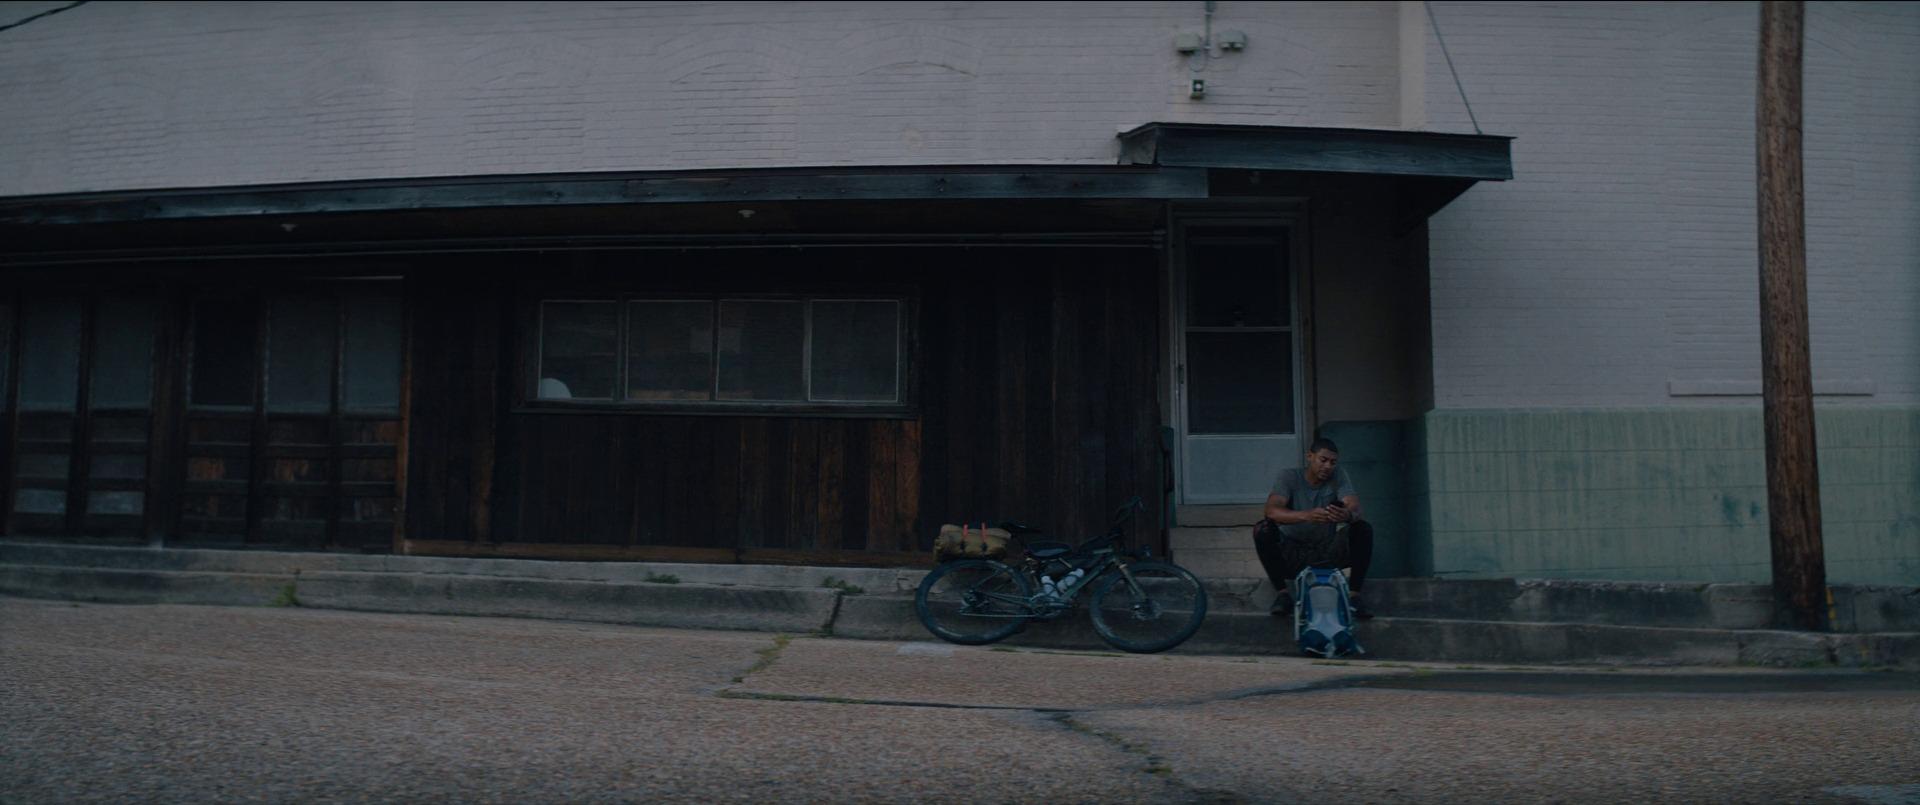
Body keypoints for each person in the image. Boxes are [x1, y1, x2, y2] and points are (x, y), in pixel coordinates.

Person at [1252, 437, 1375, 619]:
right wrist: (1306, 515)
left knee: (1362, 528)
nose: (1328, 466)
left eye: (1332, 462)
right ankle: (1283, 595)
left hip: (1326, 552)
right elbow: (1271, 511)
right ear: (1310, 456)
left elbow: (1355, 507)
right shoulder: (1289, 477)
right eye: (1323, 460)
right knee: (1262, 529)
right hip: (1292, 556)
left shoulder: (1338, 475)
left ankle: (1354, 596)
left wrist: (1347, 515)